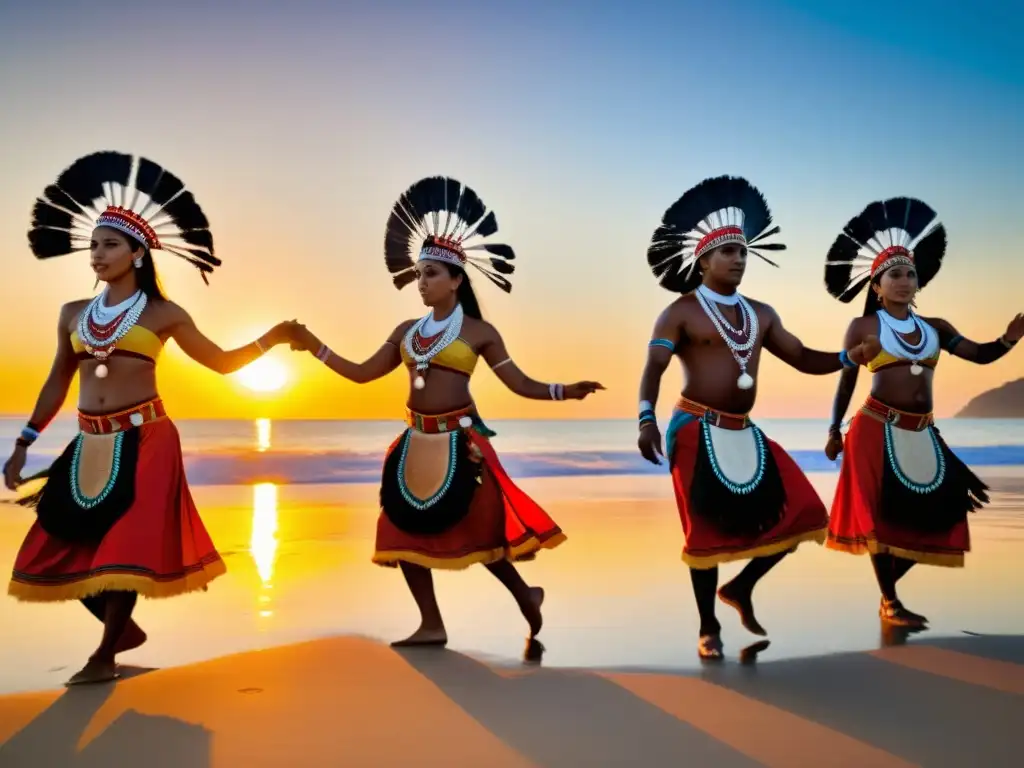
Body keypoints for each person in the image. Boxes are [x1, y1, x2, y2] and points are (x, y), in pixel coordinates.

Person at [2, 151, 298, 685]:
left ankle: (104, 655)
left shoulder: (164, 314)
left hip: (148, 440)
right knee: (56, 539)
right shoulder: (73, 313)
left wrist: (271, 339)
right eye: (93, 244)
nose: (97, 253)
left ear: (138, 253)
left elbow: (222, 364)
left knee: (124, 546)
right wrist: (25, 440)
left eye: (110, 244)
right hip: (89, 442)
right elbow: (56, 380)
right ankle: (121, 631)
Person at [288, 175, 603, 648]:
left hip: (462, 443)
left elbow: (519, 383)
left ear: (456, 279)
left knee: (481, 531)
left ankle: (526, 596)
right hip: (416, 442)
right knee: (399, 529)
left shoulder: (480, 332)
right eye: (418, 275)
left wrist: (566, 390)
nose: (422, 282)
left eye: (431, 274)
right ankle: (431, 623)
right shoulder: (405, 330)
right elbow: (360, 373)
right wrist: (314, 346)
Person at [636, 175, 881, 660]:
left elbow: (803, 357)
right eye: (728, 251)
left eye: (744, 252)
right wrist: (645, 419)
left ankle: (741, 587)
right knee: (703, 531)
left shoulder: (761, 314)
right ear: (703, 260)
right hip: (694, 429)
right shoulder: (679, 312)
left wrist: (848, 357)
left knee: (805, 512)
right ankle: (708, 627)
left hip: (744, 431)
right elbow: (655, 367)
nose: (738, 259)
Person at [822, 196, 1022, 627]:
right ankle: (890, 601)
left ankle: (887, 588)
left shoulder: (937, 328)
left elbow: (980, 355)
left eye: (911, 273)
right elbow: (846, 377)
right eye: (894, 274)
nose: (904, 280)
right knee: (881, 519)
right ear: (876, 285)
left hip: (923, 433)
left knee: (948, 508)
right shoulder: (864, 327)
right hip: (875, 427)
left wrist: (1008, 340)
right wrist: (834, 430)